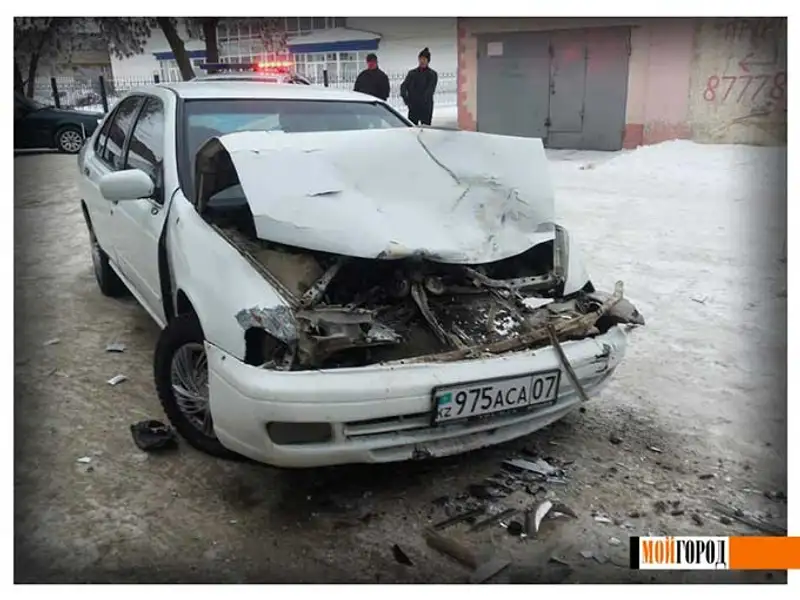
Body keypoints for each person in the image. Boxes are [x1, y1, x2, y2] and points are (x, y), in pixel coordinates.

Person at [400, 47, 438, 126]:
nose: (422, 61)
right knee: (412, 128)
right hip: (413, 107)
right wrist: (406, 99)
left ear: (428, 61)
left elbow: (430, 90)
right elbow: (404, 86)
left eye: (424, 59)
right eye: (421, 59)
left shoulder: (432, 74)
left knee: (426, 129)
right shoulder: (412, 73)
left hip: (426, 107)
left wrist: (422, 100)